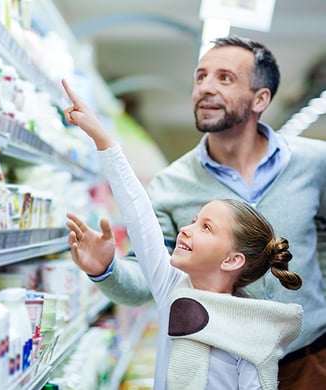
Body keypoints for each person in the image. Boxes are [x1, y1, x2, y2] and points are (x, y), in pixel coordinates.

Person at [66, 35, 326, 389]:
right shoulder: (171, 185)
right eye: (200, 76)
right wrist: (106, 270)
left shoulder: (315, 163)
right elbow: (144, 247)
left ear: (260, 98)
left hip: (310, 358)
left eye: (225, 78)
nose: (205, 87)